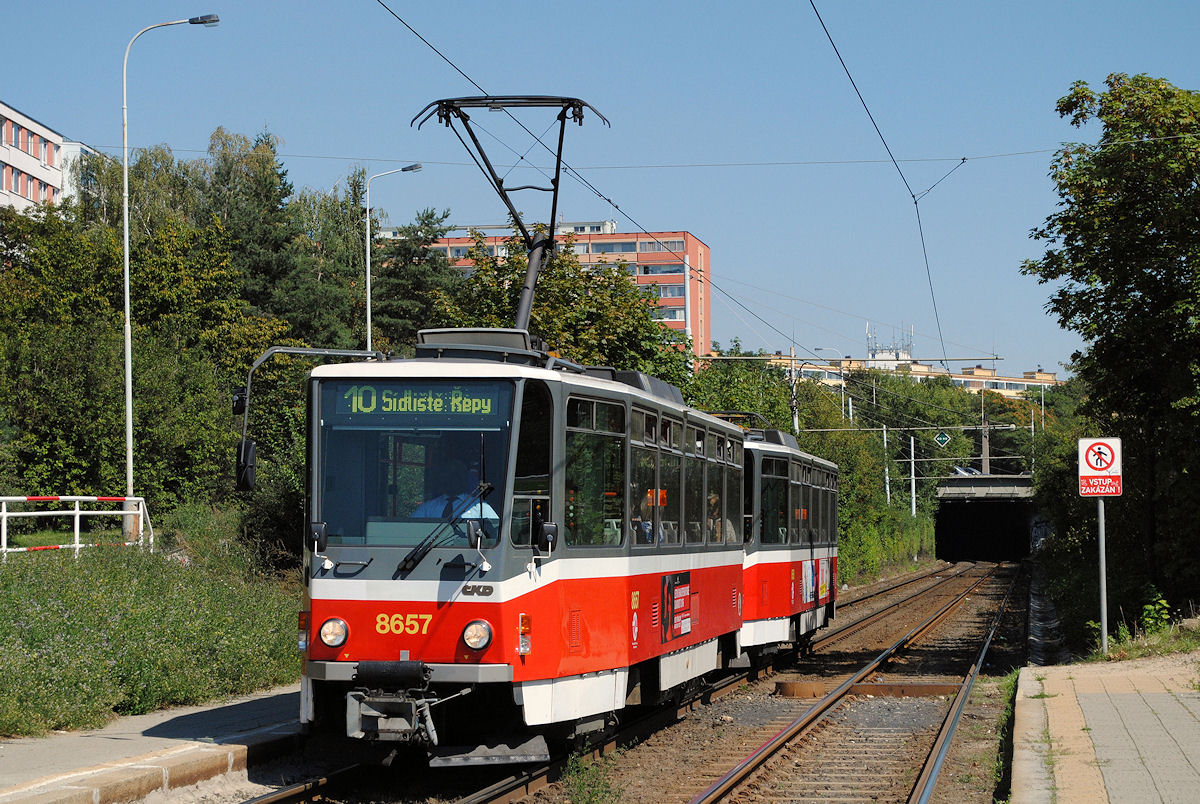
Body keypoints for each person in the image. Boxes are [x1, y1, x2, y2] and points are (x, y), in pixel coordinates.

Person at [413, 460, 498, 521]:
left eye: (457, 475)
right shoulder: (427, 508)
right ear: (443, 479)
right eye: (449, 475)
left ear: (464, 479)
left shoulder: (479, 506)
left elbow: (496, 531)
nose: (453, 480)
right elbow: (411, 529)